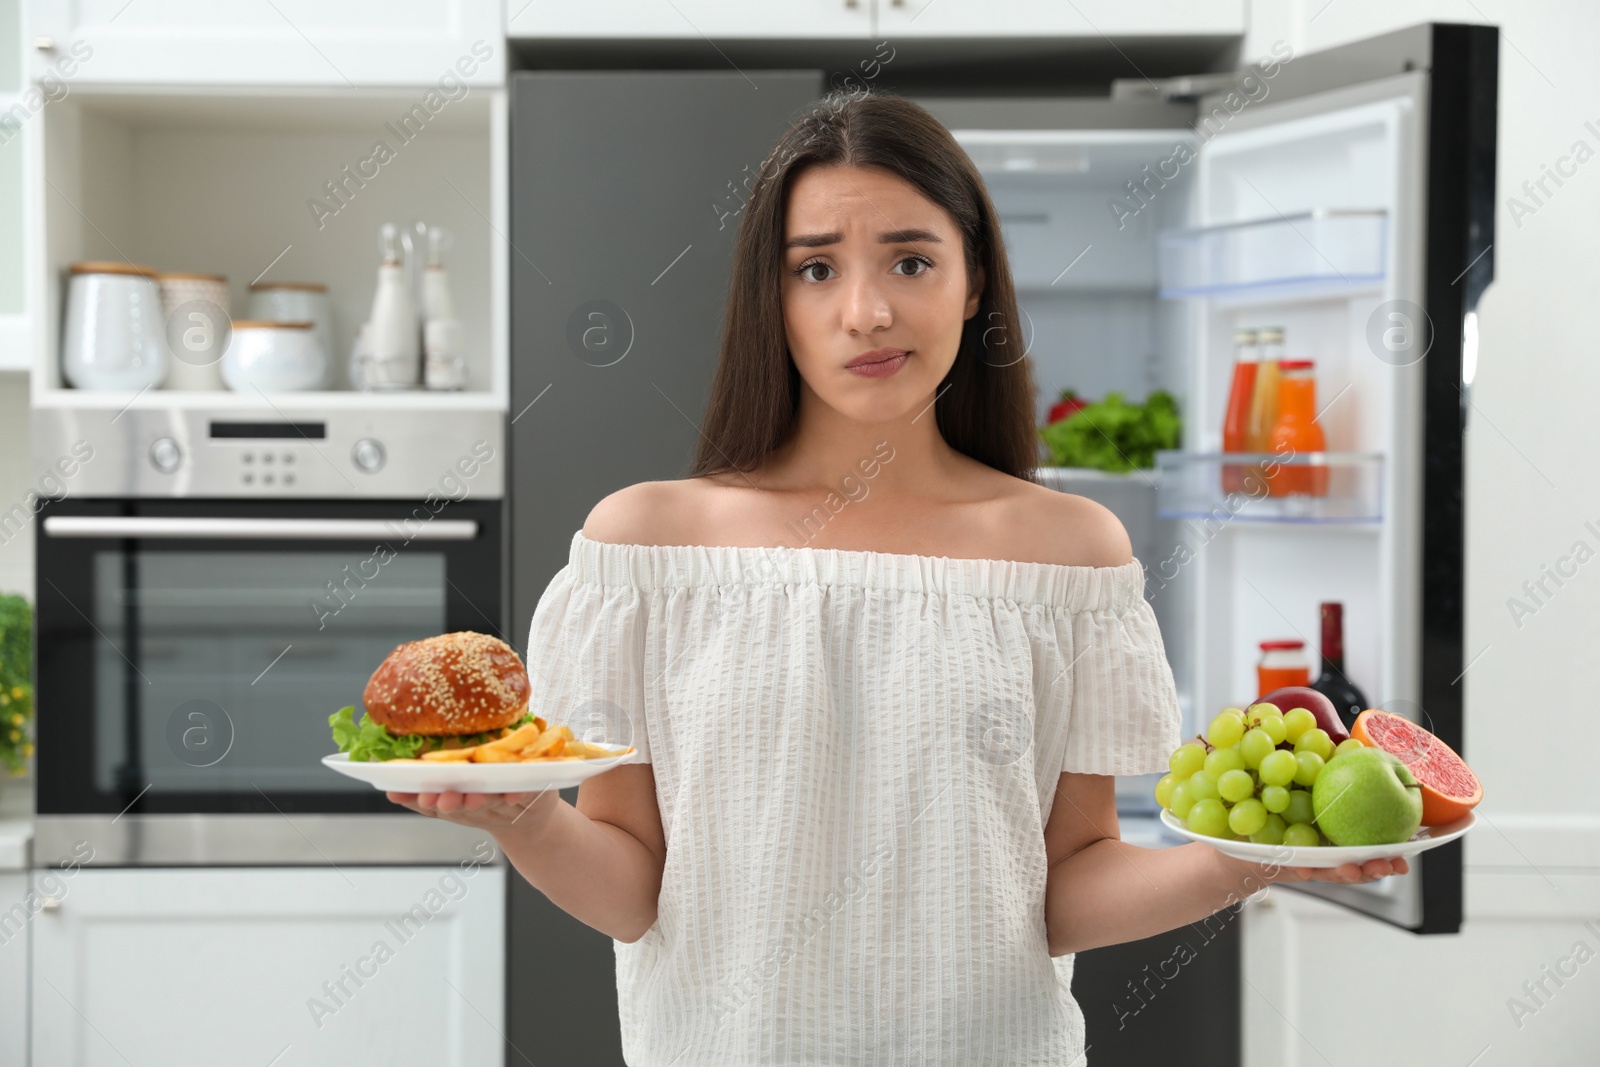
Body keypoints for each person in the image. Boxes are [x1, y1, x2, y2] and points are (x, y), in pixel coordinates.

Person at [386, 88, 1408, 1066]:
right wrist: (521, 815)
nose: (867, 310)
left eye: (911, 261)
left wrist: (1251, 859)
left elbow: (1066, 888)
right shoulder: (646, 543)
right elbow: (632, 889)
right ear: (768, 297)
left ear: (973, 283)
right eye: (816, 269)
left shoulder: (1070, 552)